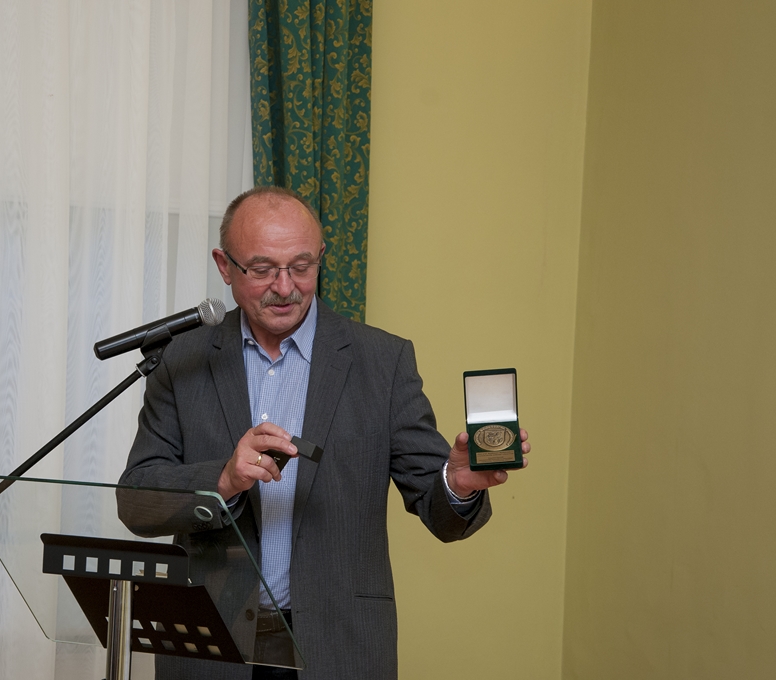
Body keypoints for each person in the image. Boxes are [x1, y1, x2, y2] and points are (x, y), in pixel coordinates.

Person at [120, 186, 529, 680]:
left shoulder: (383, 362)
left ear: (321, 258)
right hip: (211, 650)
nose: (285, 287)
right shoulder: (181, 360)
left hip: (341, 648)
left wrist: (456, 484)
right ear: (225, 267)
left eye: (302, 266)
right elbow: (137, 502)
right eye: (263, 269)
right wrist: (223, 481)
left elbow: (439, 510)